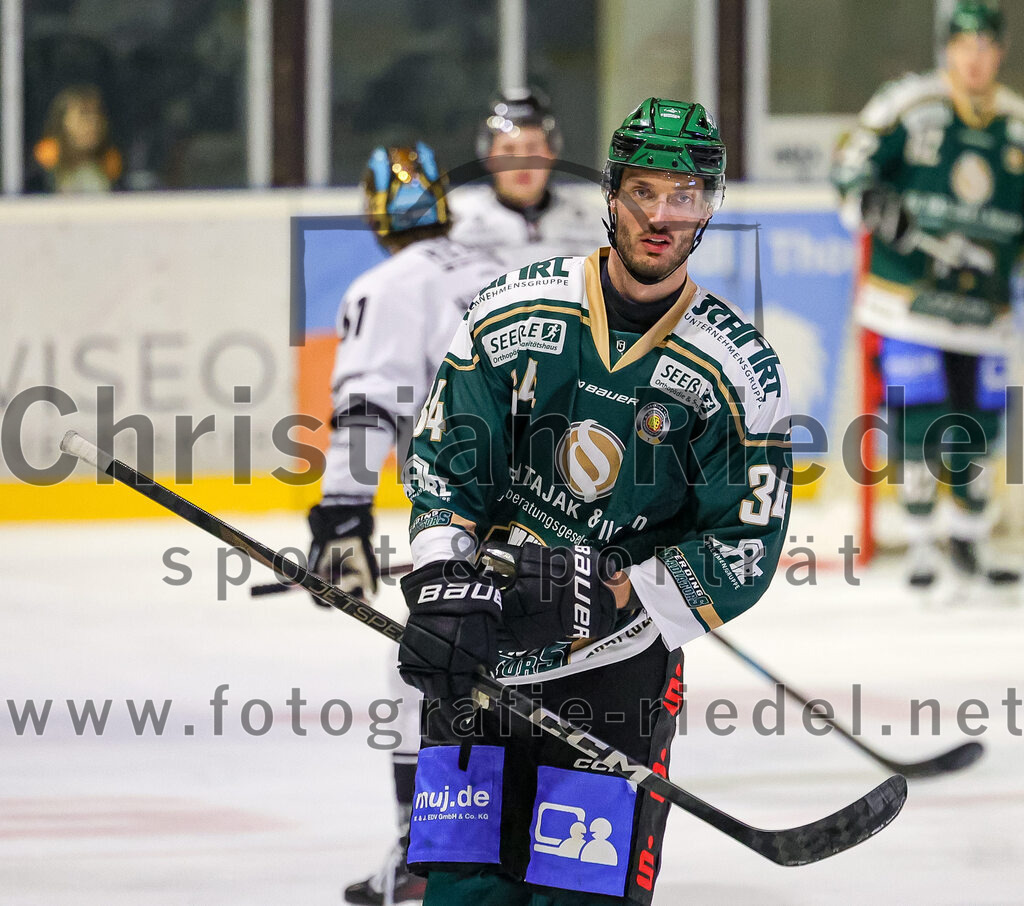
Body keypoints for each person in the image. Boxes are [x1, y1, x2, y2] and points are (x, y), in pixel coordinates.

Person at [396, 98, 792, 904]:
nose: (663, 217)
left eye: (687, 196)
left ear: (711, 206)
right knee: (461, 897)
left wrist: (609, 595)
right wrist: (442, 581)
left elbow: (743, 547)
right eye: (644, 192)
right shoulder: (512, 311)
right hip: (486, 662)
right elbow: (445, 465)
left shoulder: (740, 373)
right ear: (610, 195)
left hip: (615, 685)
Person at [305, 143, 504, 905]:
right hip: (562, 502)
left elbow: (370, 405)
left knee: (419, 673)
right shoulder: (498, 267)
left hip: (470, 511)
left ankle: (425, 858)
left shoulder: (388, 285)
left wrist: (343, 515)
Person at [832, 1, 1024, 589]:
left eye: (985, 46)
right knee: (918, 422)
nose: (975, 58)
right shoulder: (910, 105)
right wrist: (871, 200)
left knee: (983, 426)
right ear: (947, 49)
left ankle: (968, 541)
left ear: (1000, 52)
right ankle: (919, 544)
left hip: (984, 306)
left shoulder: (1016, 123)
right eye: (964, 46)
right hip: (909, 300)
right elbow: (853, 163)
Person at [449, 89, 606, 266]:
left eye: (532, 148)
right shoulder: (457, 222)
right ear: (489, 157)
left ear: (551, 153)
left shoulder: (597, 220)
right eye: (509, 150)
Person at [28, 84, 122, 194]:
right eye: (84, 114)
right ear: (62, 121)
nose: (94, 122)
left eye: (98, 114)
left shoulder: (112, 168)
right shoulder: (41, 172)